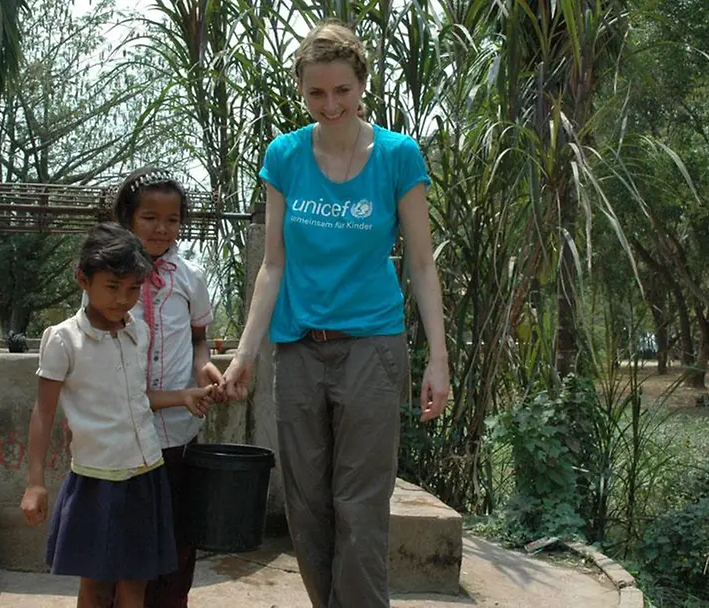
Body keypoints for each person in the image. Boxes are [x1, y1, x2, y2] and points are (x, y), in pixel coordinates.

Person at [222, 21, 451, 608]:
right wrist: (247, 352)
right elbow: (273, 265)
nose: (330, 105)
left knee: (361, 505)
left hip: (373, 349)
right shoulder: (285, 156)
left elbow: (422, 264)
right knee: (307, 505)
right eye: (317, 94)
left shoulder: (398, 156)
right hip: (298, 349)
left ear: (362, 84)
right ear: (302, 91)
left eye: (342, 91)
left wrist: (439, 362)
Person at [20, 222, 213, 607]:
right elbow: (43, 412)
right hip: (96, 481)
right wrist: (35, 482)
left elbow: (135, 399)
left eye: (131, 289)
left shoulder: (136, 331)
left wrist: (183, 396)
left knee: (135, 584)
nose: (122, 299)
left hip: (146, 476)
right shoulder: (62, 339)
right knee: (95, 585)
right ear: (83, 280)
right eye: (111, 287)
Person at [96, 166, 225, 607]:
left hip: (177, 437)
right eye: (149, 217)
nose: (161, 228)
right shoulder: (106, 278)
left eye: (172, 220)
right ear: (128, 219)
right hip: (121, 436)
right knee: (124, 541)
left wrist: (205, 368)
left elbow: (198, 338)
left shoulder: (190, 276)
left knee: (176, 537)